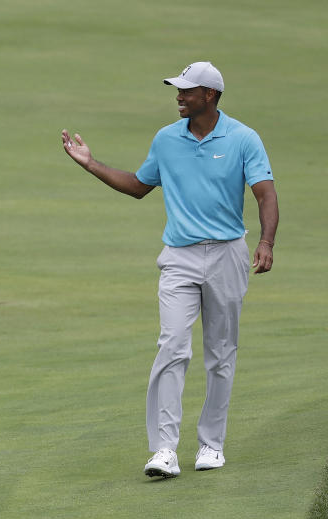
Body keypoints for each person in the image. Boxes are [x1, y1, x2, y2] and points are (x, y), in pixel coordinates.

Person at [61, 62, 279, 478]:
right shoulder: (166, 139)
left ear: (210, 95)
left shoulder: (242, 138)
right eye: (177, 90)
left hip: (227, 254)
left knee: (220, 354)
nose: (178, 96)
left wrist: (266, 242)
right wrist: (90, 164)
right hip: (179, 256)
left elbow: (265, 195)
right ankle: (163, 449)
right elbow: (140, 186)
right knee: (172, 347)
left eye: (187, 91)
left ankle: (211, 445)